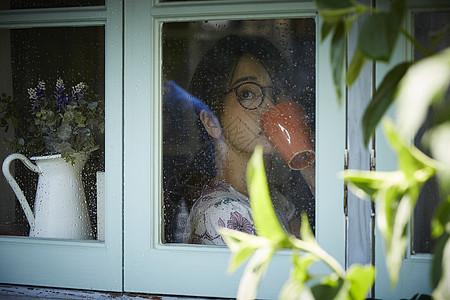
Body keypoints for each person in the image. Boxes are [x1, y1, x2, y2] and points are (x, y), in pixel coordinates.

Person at [185, 35, 314, 245]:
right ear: (211, 122)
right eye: (247, 93)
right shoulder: (223, 213)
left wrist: (308, 166)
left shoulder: (277, 201)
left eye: (278, 92)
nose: (271, 106)